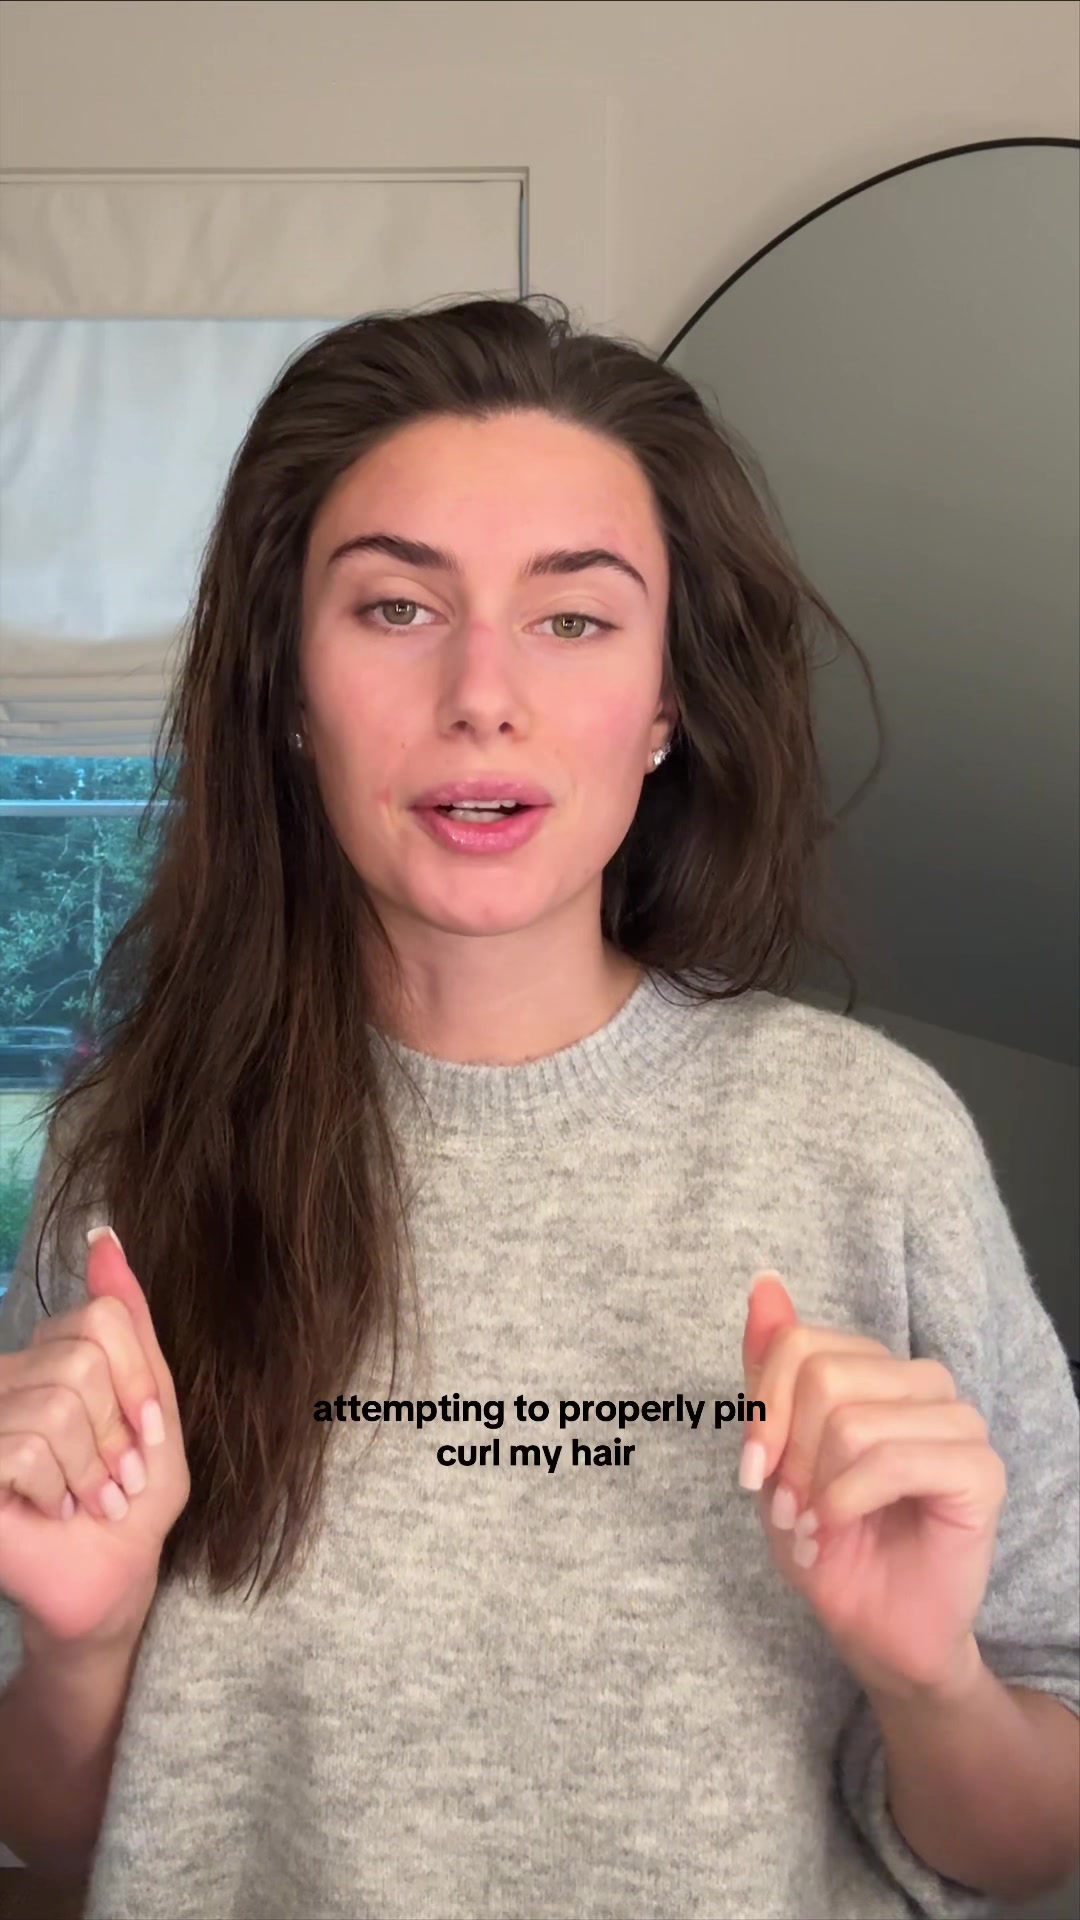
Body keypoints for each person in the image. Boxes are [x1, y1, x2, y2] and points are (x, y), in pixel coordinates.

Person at [0, 292, 1076, 1920]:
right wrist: (85, 1649)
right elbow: (64, 1839)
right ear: (288, 691)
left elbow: (1035, 1838)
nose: (482, 694)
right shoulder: (125, 1164)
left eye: (573, 619)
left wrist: (930, 1682)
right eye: (395, 608)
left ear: (666, 707)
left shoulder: (872, 1143)